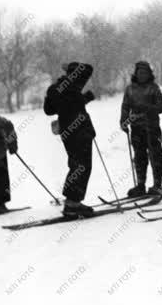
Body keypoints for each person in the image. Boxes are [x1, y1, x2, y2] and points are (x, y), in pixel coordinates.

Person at [44, 62, 96, 217]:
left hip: (67, 131)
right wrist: (85, 97)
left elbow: (49, 110)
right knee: (82, 166)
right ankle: (73, 203)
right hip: (81, 131)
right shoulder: (75, 85)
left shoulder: (55, 89)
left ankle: (72, 201)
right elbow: (89, 68)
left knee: (75, 164)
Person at [120, 61, 162, 197]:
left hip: (152, 127)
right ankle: (140, 185)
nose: (142, 75)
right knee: (139, 157)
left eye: (145, 73)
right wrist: (123, 121)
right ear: (136, 74)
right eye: (139, 73)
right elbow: (125, 106)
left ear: (149, 74)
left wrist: (149, 109)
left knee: (155, 156)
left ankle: (157, 184)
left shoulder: (154, 88)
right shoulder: (130, 89)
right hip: (136, 128)